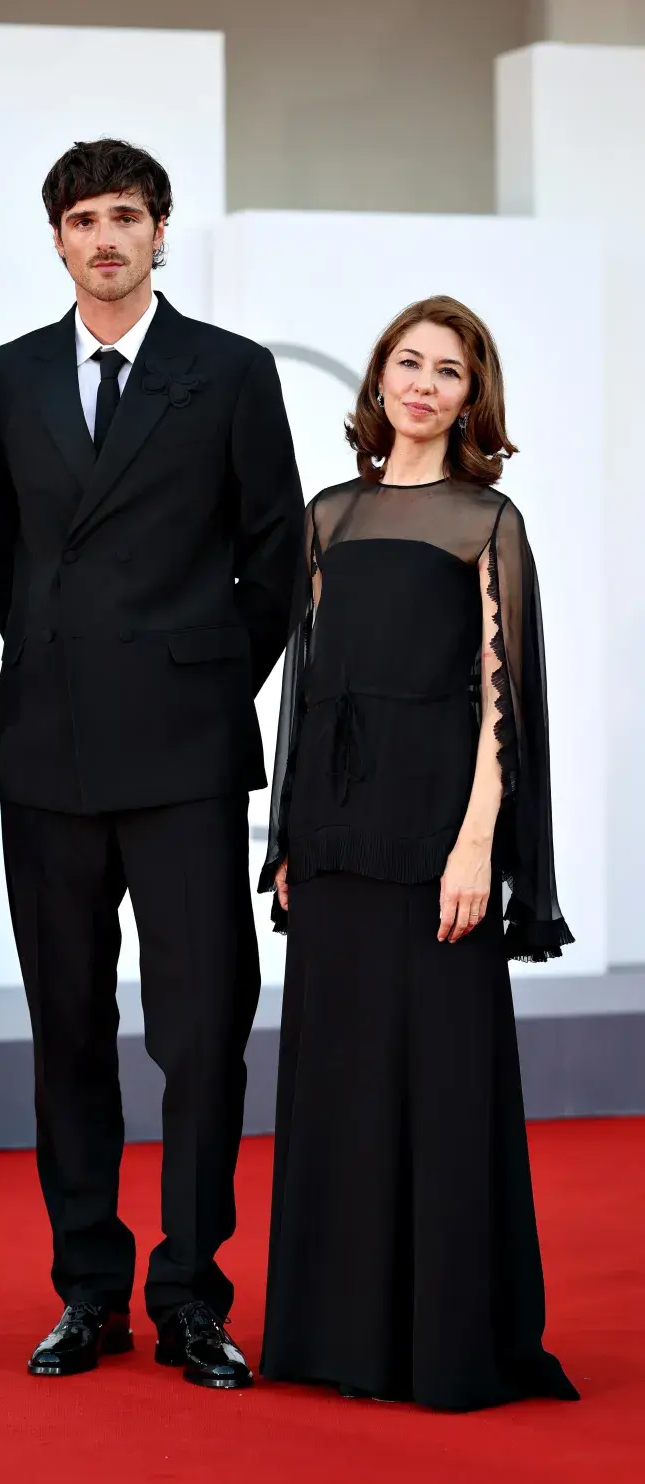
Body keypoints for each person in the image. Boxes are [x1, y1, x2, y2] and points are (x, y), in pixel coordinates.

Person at [0, 139, 302, 1388]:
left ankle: (193, 1293)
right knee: (66, 1028)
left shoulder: (228, 370)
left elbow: (272, 555)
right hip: (50, 746)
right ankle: (90, 1293)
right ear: (55, 240)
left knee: (203, 1029)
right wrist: (64, 658)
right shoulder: (6, 380)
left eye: (126, 216)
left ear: (162, 231)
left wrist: (202, 676)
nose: (104, 238)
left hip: (186, 750)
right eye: (81, 220)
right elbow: (11, 560)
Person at [259, 296, 579, 1410]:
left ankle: (445, 1340)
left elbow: (506, 707)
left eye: (450, 368)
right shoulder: (327, 517)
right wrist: (289, 837)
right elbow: (305, 692)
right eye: (410, 361)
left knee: (441, 1080)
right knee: (339, 1079)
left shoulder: (488, 522)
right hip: (338, 838)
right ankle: (335, 1334)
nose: (426, 382)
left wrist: (476, 846)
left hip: (438, 833)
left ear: (471, 395)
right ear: (381, 379)